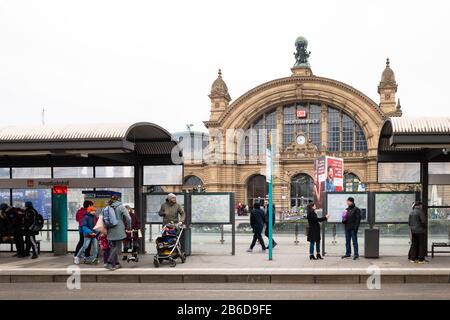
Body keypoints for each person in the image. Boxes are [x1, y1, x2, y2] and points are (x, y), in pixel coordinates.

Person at [105, 195, 131, 271]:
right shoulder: (121, 207)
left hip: (110, 228)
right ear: (118, 199)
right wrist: (128, 227)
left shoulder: (108, 207)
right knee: (118, 247)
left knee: (113, 247)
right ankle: (109, 262)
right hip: (118, 228)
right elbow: (128, 218)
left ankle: (116, 264)